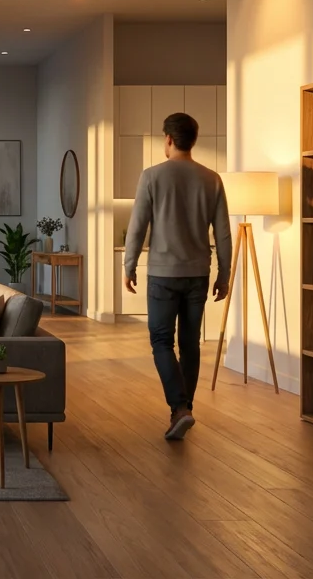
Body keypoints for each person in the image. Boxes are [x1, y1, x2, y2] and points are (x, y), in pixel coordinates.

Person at [123, 112, 230, 441]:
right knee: (190, 344)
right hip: (198, 273)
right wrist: (224, 274)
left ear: (168, 140)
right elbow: (223, 234)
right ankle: (183, 410)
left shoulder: (152, 176)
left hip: (163, 274)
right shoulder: (212, 179)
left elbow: (137, 226)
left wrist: (128, 265)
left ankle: (179, 408)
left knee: (160, 342)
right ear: (193, 140)